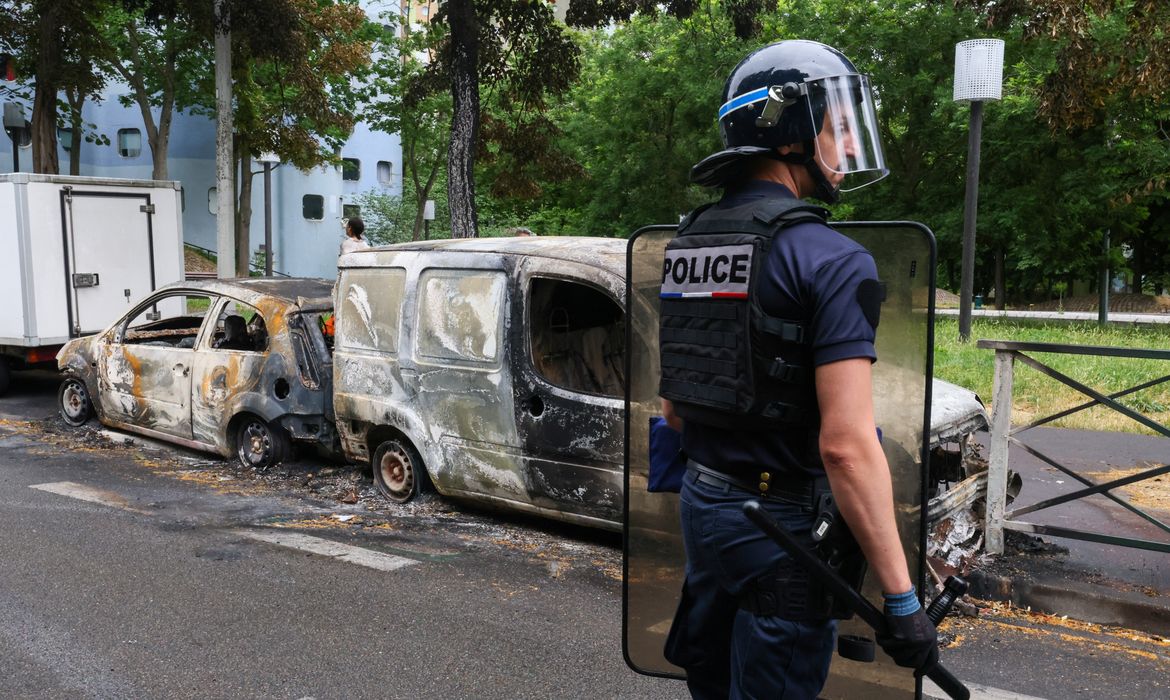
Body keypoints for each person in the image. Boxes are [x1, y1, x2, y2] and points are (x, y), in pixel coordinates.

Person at [658, 40, 937, 698]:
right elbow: (845, 445)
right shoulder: (834, 261)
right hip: (779, 527)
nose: (845, 148)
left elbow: (674, 408)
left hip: (705, 506)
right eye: (837, 128)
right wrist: (902, 600)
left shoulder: (688, 243)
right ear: (786, 129)